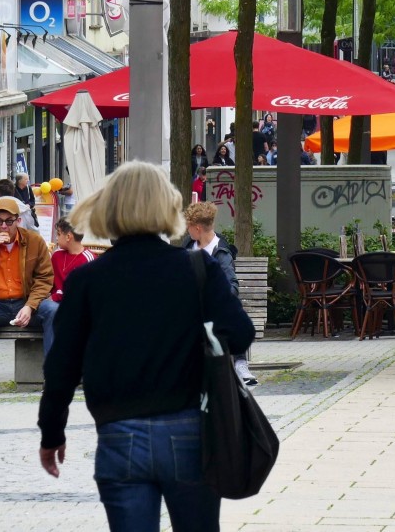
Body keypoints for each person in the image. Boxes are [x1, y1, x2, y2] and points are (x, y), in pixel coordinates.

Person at [38, 161, 255, 529]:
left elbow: (62, 366)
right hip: (189, 428)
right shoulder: (197, 269)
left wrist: (52, 432)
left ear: (109, 209)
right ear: (167, 209)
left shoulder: (88, 280)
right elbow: (240, 333)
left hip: (119, 432)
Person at [183, 201, 255, 386]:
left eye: (189, 226)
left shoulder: (221, 252)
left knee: (230, 315)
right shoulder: (188, 247)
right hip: (189, 309)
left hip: (212, 309)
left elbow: (232, 285)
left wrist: (216, 301)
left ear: (197, 228)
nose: (187, 230)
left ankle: (240, 364)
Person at [0, 196, 57, 356]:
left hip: (27, 302)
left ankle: (54, 375)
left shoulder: (34, 241)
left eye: (9, 221)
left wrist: (30, 306)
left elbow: (44, 278)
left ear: (18, 221)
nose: (3, 226)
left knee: (54, 311)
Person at [50, 218, 96, 303]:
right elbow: (48, 280)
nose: (56, 238)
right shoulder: (56, 255)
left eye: (58, 234)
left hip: (75, 305)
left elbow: (85, 292)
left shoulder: (89, 259)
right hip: (52, 302)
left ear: (68, 237)